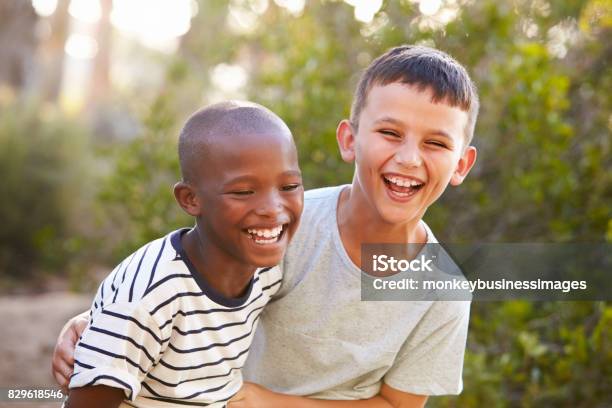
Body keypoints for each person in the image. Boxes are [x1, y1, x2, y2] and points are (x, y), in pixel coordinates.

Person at [54, 45, 479, 408]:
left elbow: (396, 405)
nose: (408, 158)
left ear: (461, 164)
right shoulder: (284, 222)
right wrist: (97, 321)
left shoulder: (442, 291)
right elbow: (181, 284)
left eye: (436, 143)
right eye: (390, 132)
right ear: (350, 140)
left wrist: (263, 400)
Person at [61, 101, 304, 408]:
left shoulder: (267, 265)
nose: (273, 208)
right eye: (243, 191)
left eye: (290, 186)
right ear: (190, 199)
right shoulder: (148, 301)